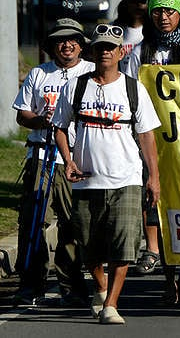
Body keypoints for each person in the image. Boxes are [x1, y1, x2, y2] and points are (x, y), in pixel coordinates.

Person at [51, 25, 161, 325]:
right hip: (86, 179)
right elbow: (59, 127)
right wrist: (68, 159)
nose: (105, 52)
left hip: (126, 178)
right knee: (88, 247)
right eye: (100, 47)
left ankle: (111, 305)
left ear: (121, 51)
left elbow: (147, 135)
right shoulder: (75, 86)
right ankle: (100, 288)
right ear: (92, 50)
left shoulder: (133, 89)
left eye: (111, 47)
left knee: (124, 243)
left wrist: (154, 178)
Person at [130, 0, 180, 296]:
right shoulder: (140, 51)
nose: (163, 17)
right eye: (157, 12)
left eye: (169, 12)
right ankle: (168, 274)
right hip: (155, 137)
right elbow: (132, 91)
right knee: (158, 200)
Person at [12, 18, 94, 307]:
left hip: (76, 157)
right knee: (34, 220)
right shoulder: (39, 73)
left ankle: (71, 285)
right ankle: (29, 284)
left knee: (73, 223)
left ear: (82, 45)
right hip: (41, 155)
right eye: (60, 40)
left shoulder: (91, 72)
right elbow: (22, 114)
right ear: (51, 46)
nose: (66, 44)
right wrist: (42, 120)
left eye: (72, 39)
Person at [114, 0, 149, 69]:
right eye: (133, 1)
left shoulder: (153, 31)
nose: (138, 5)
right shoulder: (113, 29)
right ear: (125, 4)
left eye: (142, 1)